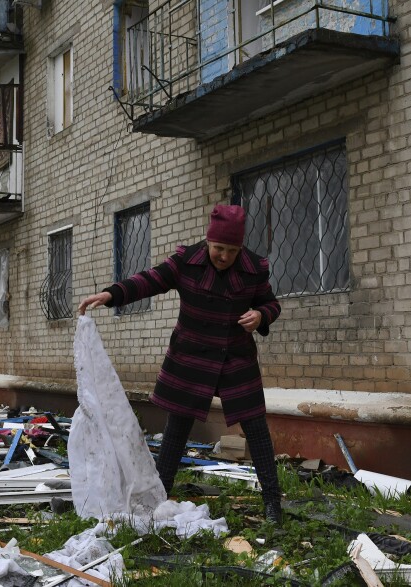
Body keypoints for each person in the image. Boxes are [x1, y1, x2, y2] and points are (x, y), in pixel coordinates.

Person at [78, 204, 284, 523]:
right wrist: (110, 295)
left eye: (231, 250)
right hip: (191, 358)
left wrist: (261, 315)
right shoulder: (187, 262)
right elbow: (149, 280)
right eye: (218, 248)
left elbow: (271, 303)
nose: (224, 256)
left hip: (236, 360)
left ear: (240, 247)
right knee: (176, 430)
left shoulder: (254, 269)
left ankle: (272, 504)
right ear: (208, 241)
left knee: (257, 429)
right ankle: (159, 498)